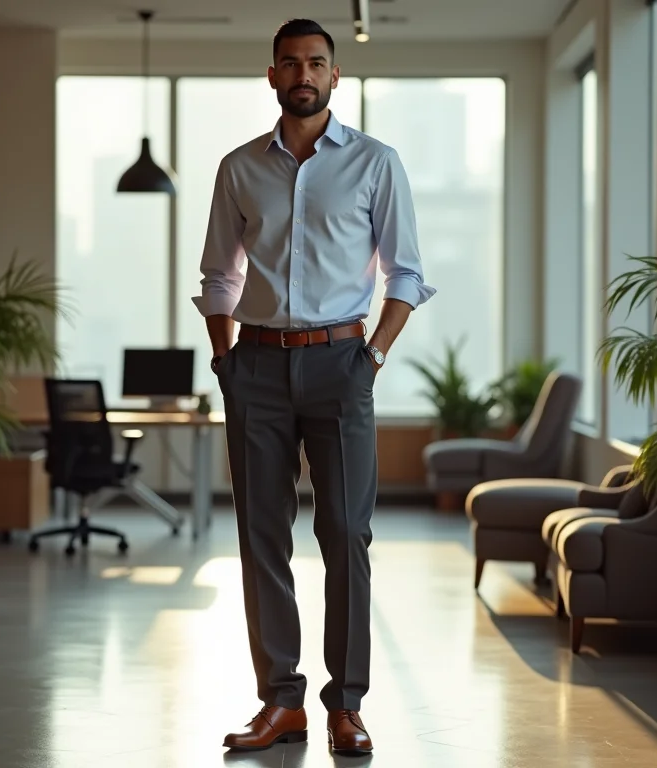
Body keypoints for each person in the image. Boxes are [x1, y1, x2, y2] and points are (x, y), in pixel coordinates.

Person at [192, 18, 435, 755]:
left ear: (335, 77)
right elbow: (218, 275)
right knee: (261, 536)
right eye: (291, 63)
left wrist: (374, 356)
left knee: (345, 535)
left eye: (317, 63)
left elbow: (407, 275)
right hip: (256, 367)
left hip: (340, 365)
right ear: (272, 76)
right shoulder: (239, 168)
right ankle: (281, 702)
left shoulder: (375, 163)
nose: (304, 73)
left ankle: (347, 704)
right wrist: (226, 357)